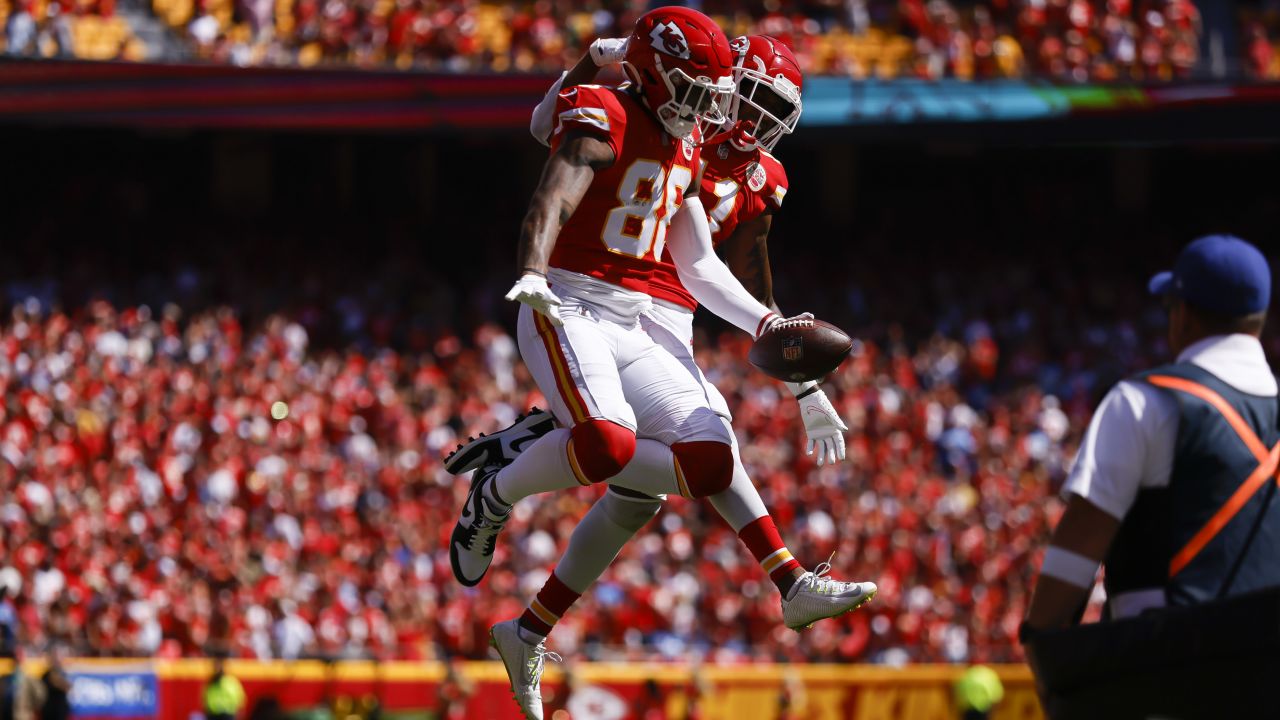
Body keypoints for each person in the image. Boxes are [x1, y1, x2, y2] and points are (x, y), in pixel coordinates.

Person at [443, 8, 871, 718]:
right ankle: (786, 579)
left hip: (661, 316)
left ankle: (530, 623)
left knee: (672, 477)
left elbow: (734, 275)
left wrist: (803, 377)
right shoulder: (665, 120)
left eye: (771, 114)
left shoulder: (744, 164)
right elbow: (548, 130)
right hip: (612, 300)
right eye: (750, 102)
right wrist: (595, 60)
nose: (752, 123)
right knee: (629, 452)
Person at [1023, 235, 1278, 711]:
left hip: (1167, 682)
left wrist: (1042, 647)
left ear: (1182, 312)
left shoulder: (1144, 402)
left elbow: (1075, 554)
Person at [38, 649, 68, 720]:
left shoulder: (61, 673)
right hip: (48, 709)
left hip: (59, 708)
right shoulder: (45, 675)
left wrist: (57, 681)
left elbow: (67, 686)